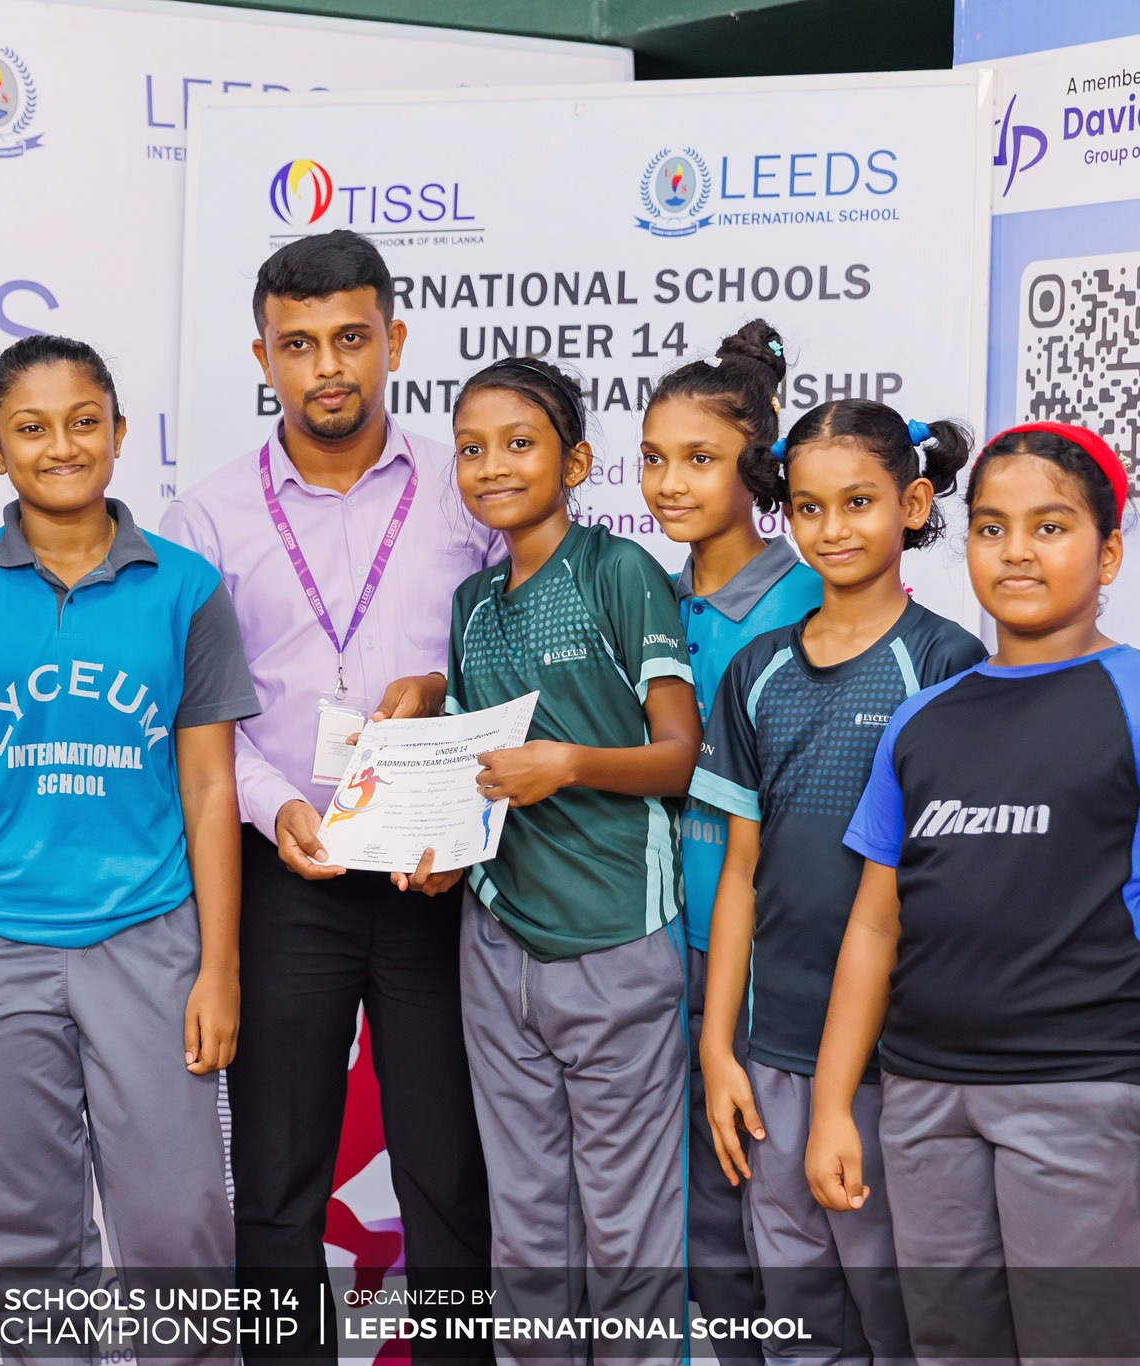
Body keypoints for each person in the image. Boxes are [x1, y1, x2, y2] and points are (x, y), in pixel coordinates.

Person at [807, 423, 1140, 1362]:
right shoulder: (923, 722)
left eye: (1050, 527)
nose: (1015, 551)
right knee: (947, 1348)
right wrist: (835, 1104)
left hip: (1084, 1091)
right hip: (924, 1098)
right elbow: (875, 929)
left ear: (1109, 552)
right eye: (991, 527)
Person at [0, 335, 257, 1356]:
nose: (61, 446)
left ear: (120, 433)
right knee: (26, 1239)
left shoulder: (185, 588)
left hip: (148, 938)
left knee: (177, 1228)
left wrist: (219, 968)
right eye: (31, 429)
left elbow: (209, 785)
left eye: (84, 422)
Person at [161, 229, 496, 1353]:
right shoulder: (208, 518)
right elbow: (202, 716)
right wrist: (275, 807)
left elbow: (521, 666)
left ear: (393, 340)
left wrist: (444, 708)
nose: (327, 367)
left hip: (435, 871)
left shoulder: (467, 489)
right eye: (297, 344)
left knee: (449, 1169)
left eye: (350, 338)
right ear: (262, 356)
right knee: (276, 1174)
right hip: (284, 870)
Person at [417, 356, 700, 1360]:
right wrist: (436, 852)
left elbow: (679, 756)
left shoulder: (618, 572)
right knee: (528, 1231)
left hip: (617, 933)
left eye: (519, 443)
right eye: (471, 448)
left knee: (627, 1234)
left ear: (575, 463)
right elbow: (473, 772)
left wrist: (570, 763)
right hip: (498, 943)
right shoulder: (470, 603)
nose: (492, 465)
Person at [690, 399, 984, 1365]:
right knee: (797, 1319)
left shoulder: (945, 663)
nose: (833, 528)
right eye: (809, 507)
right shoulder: (757, 671)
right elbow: (740, 872)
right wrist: (719, 1048)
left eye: (858, 502)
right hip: (772, 1051)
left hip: (903, 1064)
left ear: (913, 505)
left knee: (903, 1321)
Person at [639, 319, 821, 1354]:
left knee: (778, 1217)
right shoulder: (648, 601)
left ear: (755, 469)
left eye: (699, 459)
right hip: (660, 947)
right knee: (697, 1225)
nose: (670, 484)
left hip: (771, 958)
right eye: (654, 458)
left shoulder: (813, 598)